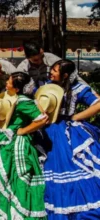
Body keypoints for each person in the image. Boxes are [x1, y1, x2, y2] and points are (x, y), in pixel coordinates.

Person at [0, 72, 48, 219]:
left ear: (17, 88)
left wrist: (23, 130)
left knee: (13, 175)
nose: (6, 83)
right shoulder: (12, 97)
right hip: (2, 137)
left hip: (14, 143)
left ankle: (9, 210)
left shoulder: (23, 101)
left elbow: (42, 119)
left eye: (9, 82)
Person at [41, 60, 100, 219]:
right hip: (45, 129)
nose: (51, 72)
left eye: (55, 70)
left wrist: (75, 117)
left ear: (65, 75)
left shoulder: (77, 88)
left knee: (68, 165)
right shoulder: (46, 85)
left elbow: (98, 104)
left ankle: (73, 204)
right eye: (51, 69)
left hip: (66, 131)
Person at [17, 41, 90, 88]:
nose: (40, 62)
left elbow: (72, 73)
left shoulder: (51, 58)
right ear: (27, 57)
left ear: (42, 51)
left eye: (41, 57)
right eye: (35, 60)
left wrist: (89, 91)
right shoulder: (22, 68)